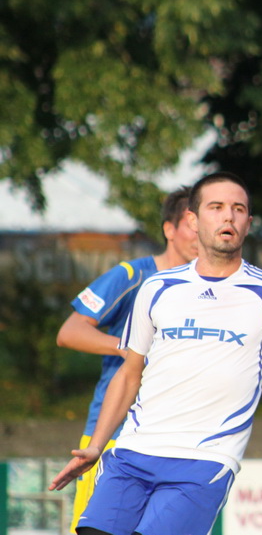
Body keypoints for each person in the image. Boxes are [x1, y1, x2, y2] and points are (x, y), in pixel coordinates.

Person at [49, 171, 262, 535]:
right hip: (131, 453)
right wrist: (97, 446)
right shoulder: (156, 287)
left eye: (238, 209)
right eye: (216, 207)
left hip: (204, 461)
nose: (228, 216)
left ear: (248, 223)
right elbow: (129, 374)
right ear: (193, 220)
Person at [56, 186, 198, 534]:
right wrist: (128, 347)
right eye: (191, 224)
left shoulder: (210, 287)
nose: (200, 233)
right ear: (169, 229)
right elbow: (70, 332)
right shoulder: (133, 276)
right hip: (113, 436)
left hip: (176, 439)